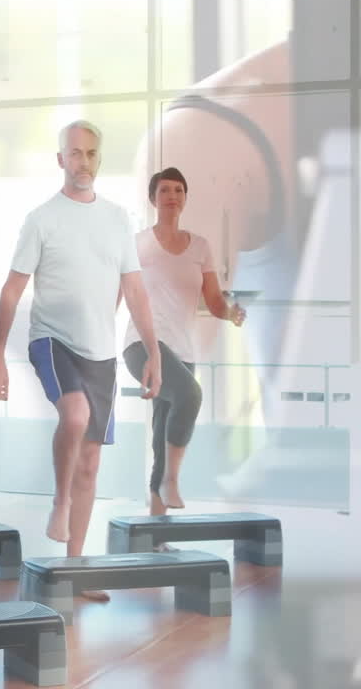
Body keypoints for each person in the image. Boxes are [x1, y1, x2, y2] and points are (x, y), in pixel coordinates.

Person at [0, 120, 162, 587]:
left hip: (100, 354)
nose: (82, 162)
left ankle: (72, 569)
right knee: (74, 415)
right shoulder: (41, 219)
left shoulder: (116, 219)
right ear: (60, 159)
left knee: (90, 464)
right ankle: (59, 502)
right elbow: (10, 291)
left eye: (90, 154)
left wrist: (154, 352)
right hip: (51, 340)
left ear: (97, 160)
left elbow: (136, 291)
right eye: (74, 153)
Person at [122, 167, 246, 522]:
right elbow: (120, 293)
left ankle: (156, 532)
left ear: (185, 198)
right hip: (141, 346)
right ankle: (173, 482)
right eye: (164, 191)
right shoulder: (137, 244)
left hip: (181, 350)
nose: (172, 196)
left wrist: (231, 312)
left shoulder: (201, 247)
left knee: (162, 434)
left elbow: (214, 300)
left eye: (178, 190)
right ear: (153, 199)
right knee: (190, 395)